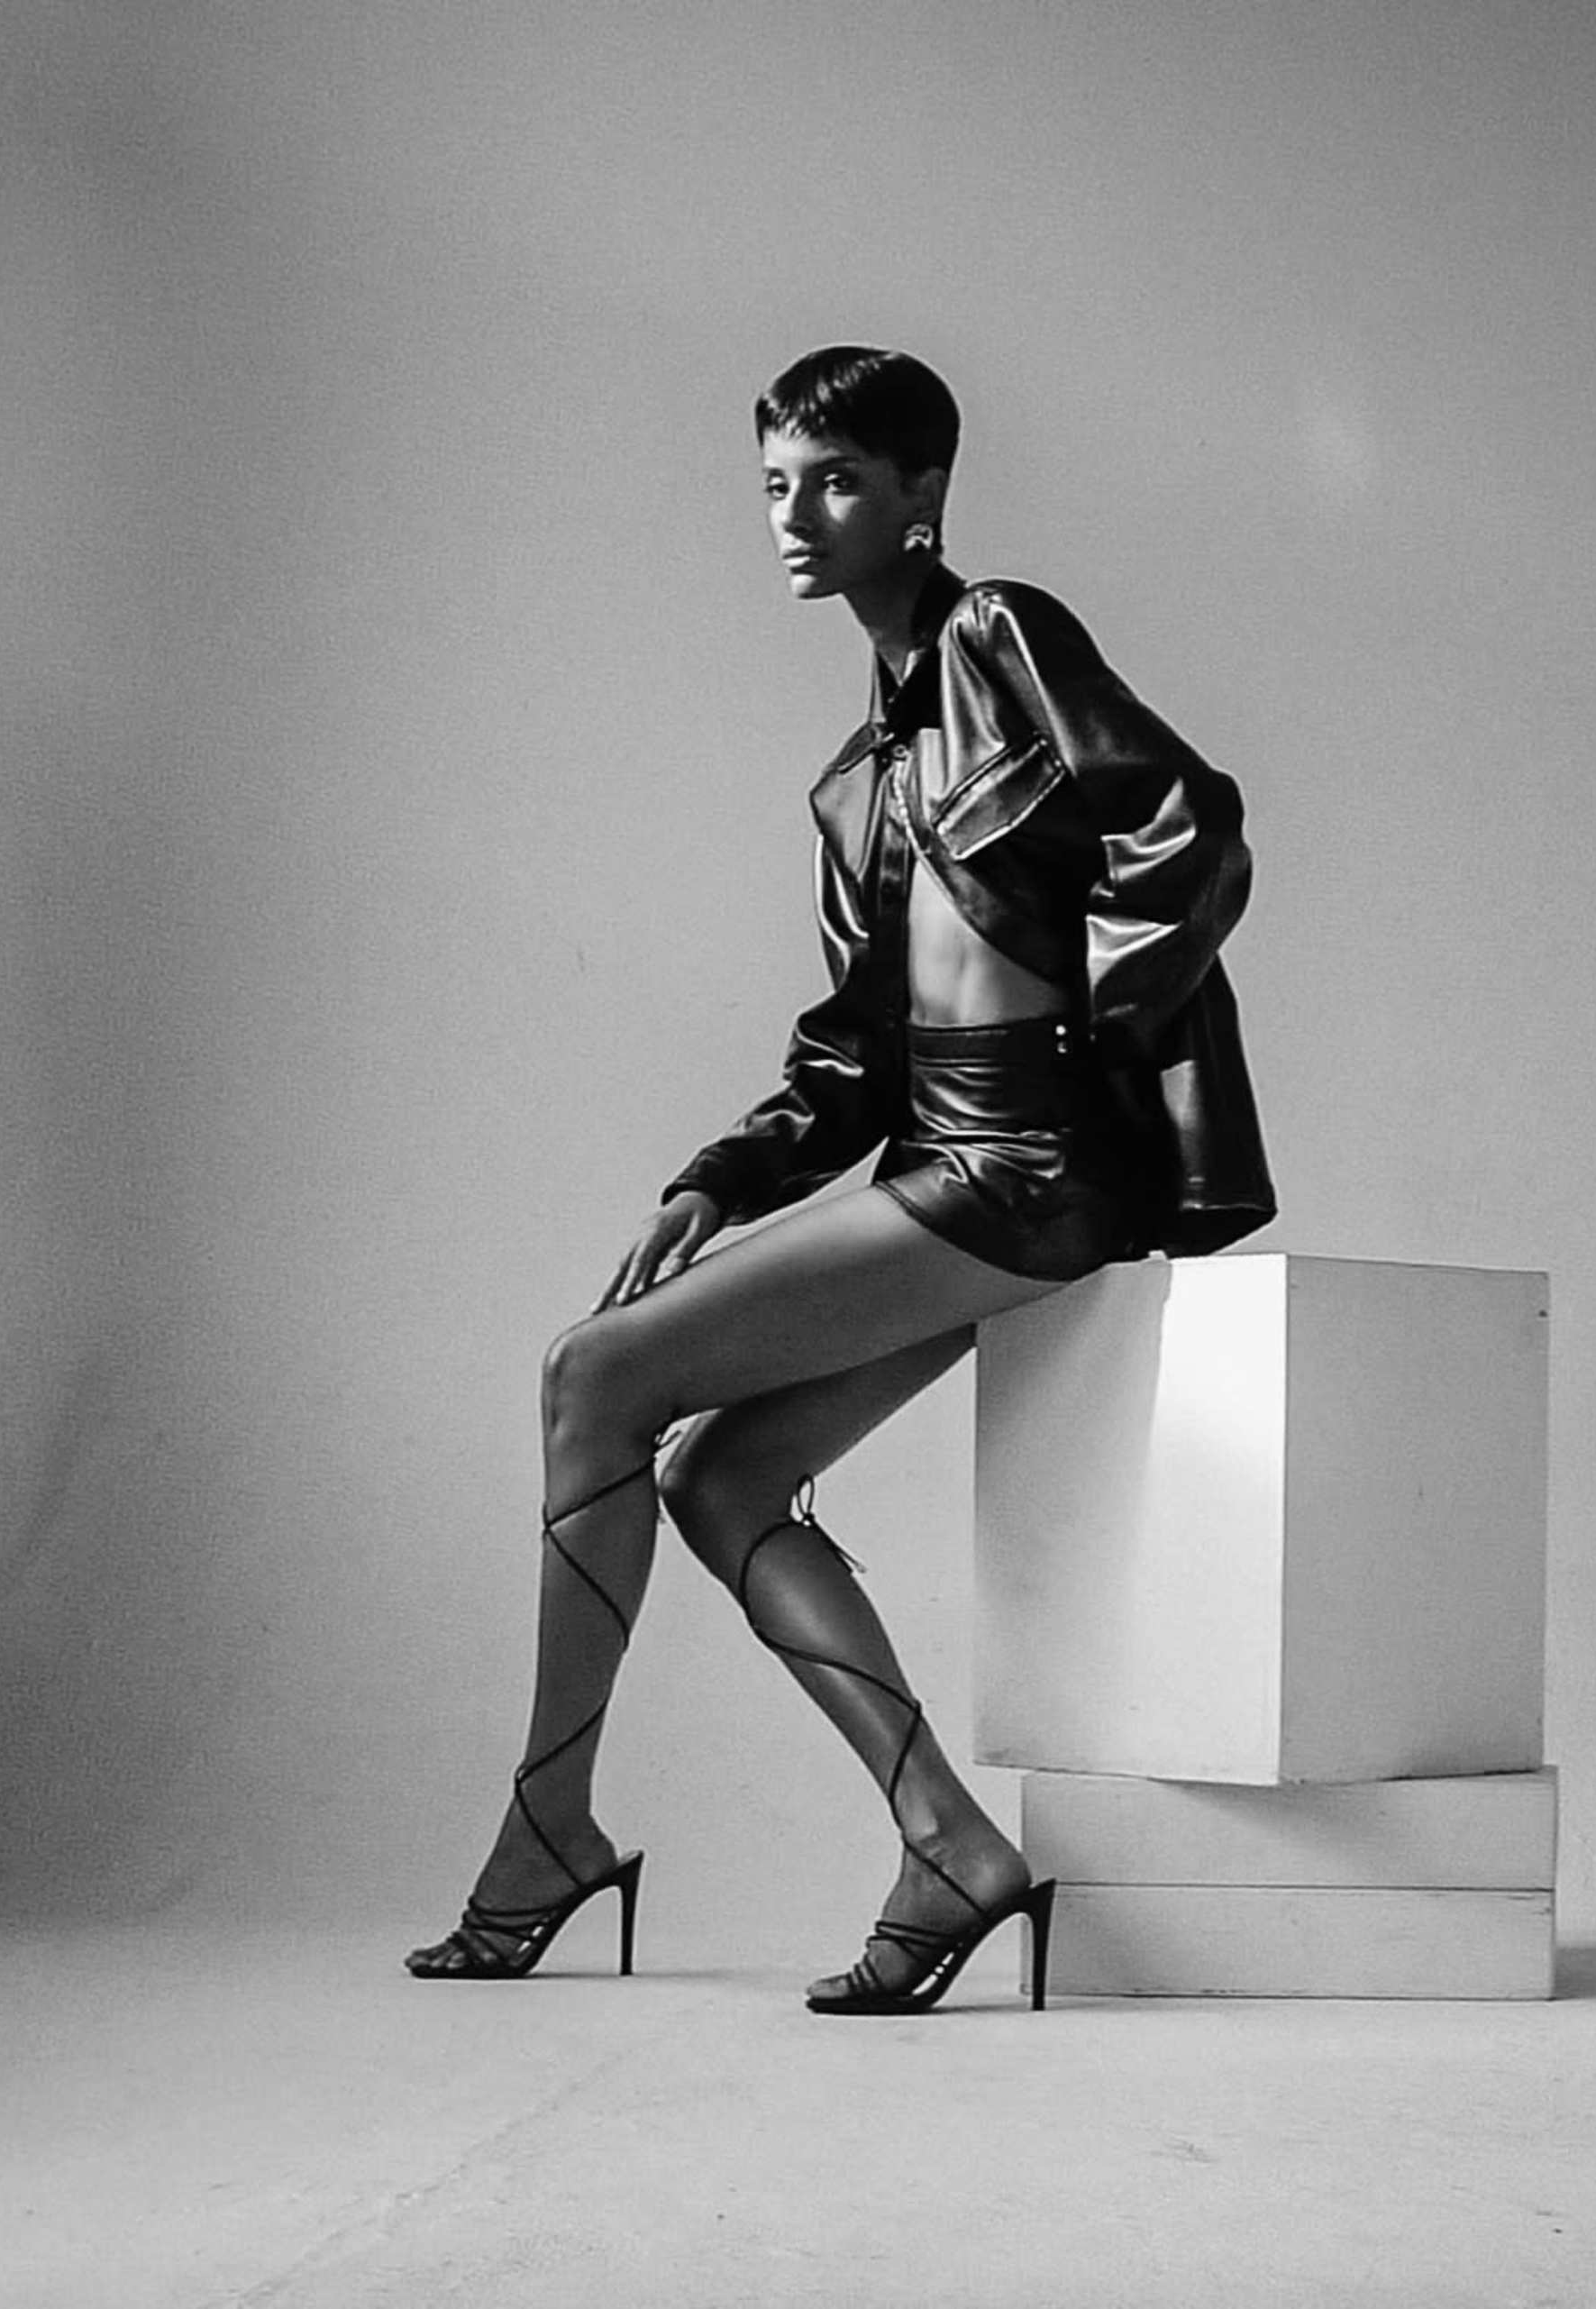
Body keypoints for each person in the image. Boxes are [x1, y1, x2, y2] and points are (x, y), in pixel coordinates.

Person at [404, 348, 1271, 2012]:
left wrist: (1094, 1035)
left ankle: (546, 1829)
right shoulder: (859, 778)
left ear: (922, 495)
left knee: (592, 1378)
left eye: (837, 482)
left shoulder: (999, 635)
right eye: (776, 485)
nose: (797, 517)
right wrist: (721, 1178)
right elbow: (854, 1049)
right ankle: (946, 1839)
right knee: (715, 1480)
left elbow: (1190, 829)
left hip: (1026, 1169)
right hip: (948, 1160)